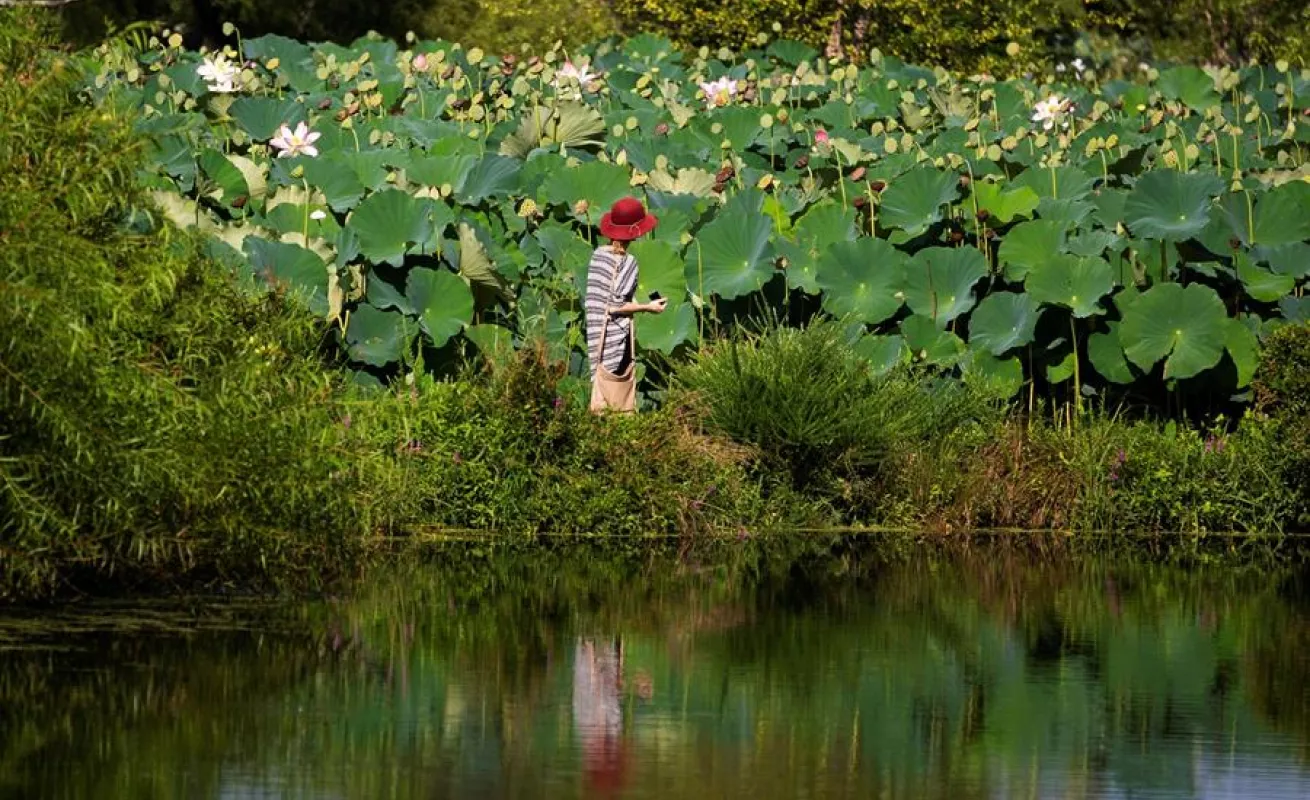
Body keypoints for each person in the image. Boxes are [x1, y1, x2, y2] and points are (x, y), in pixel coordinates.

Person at [586, 197, 666, 410]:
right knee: (616, 397)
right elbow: (616, 306)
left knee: (600, 389)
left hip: (596, 334)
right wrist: (648, 307)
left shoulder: (597, 256)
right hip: (614, 337)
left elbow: (608, 296)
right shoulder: (628, 262)